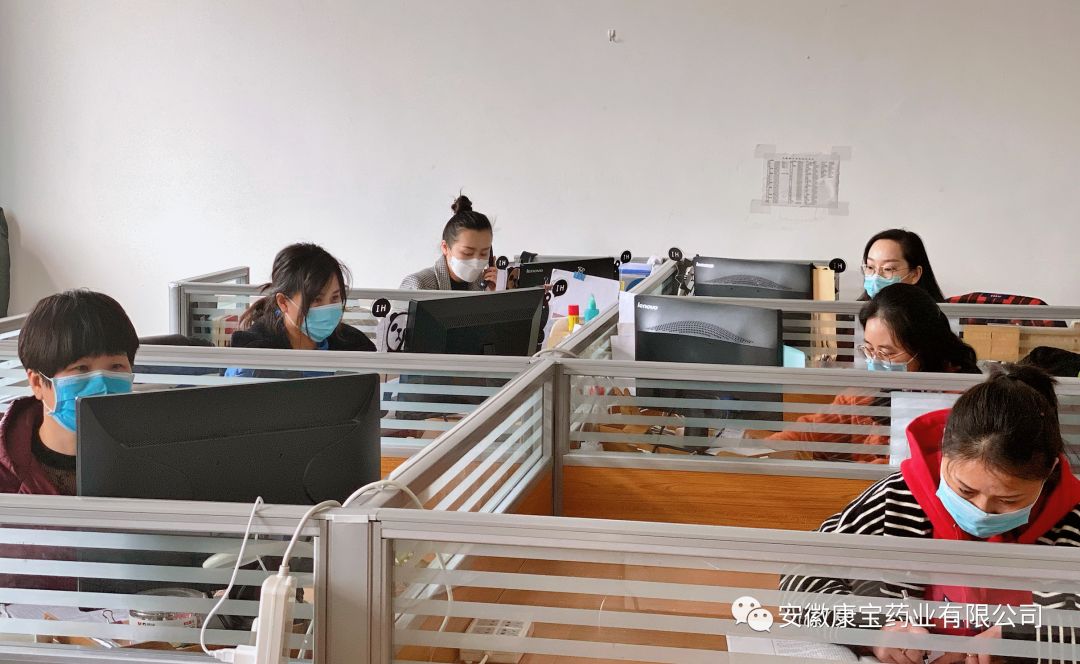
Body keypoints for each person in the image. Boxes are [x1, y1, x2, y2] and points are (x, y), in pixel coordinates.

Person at [780, 364, 1080, 662]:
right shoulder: (901, 496)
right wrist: (873, 630)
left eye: (1008, 500)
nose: (981, 511)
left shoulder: (1071, 518)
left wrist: (1021, 641)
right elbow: (800, 574)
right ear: (944, 448)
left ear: (1050, 471)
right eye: (965, 491)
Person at [769, 283, 979, 463]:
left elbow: (912, 472)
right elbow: (811, 433)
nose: (875, 360)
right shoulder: (865, 394)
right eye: (869, 349)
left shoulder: (962, 405)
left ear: (925, 350)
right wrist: (764, 449)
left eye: (887, 353)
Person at [0, 290, 138, 496]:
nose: (102, 385)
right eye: (81, 368)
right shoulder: (5, 475)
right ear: (37, 383)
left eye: (116, 366)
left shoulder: (157, 454)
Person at [400, 195, 497, 291]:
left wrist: (495, 294)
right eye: (467, 253)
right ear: (445, 247)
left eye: (484, 253)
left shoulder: (485, 284)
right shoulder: (418, 284)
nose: (476, 262)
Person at [860, 229, 946, 302]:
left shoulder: (940, 315)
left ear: (914, 274)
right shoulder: (855, 314)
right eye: (870, 267)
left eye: (888, 269)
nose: (876, 277)